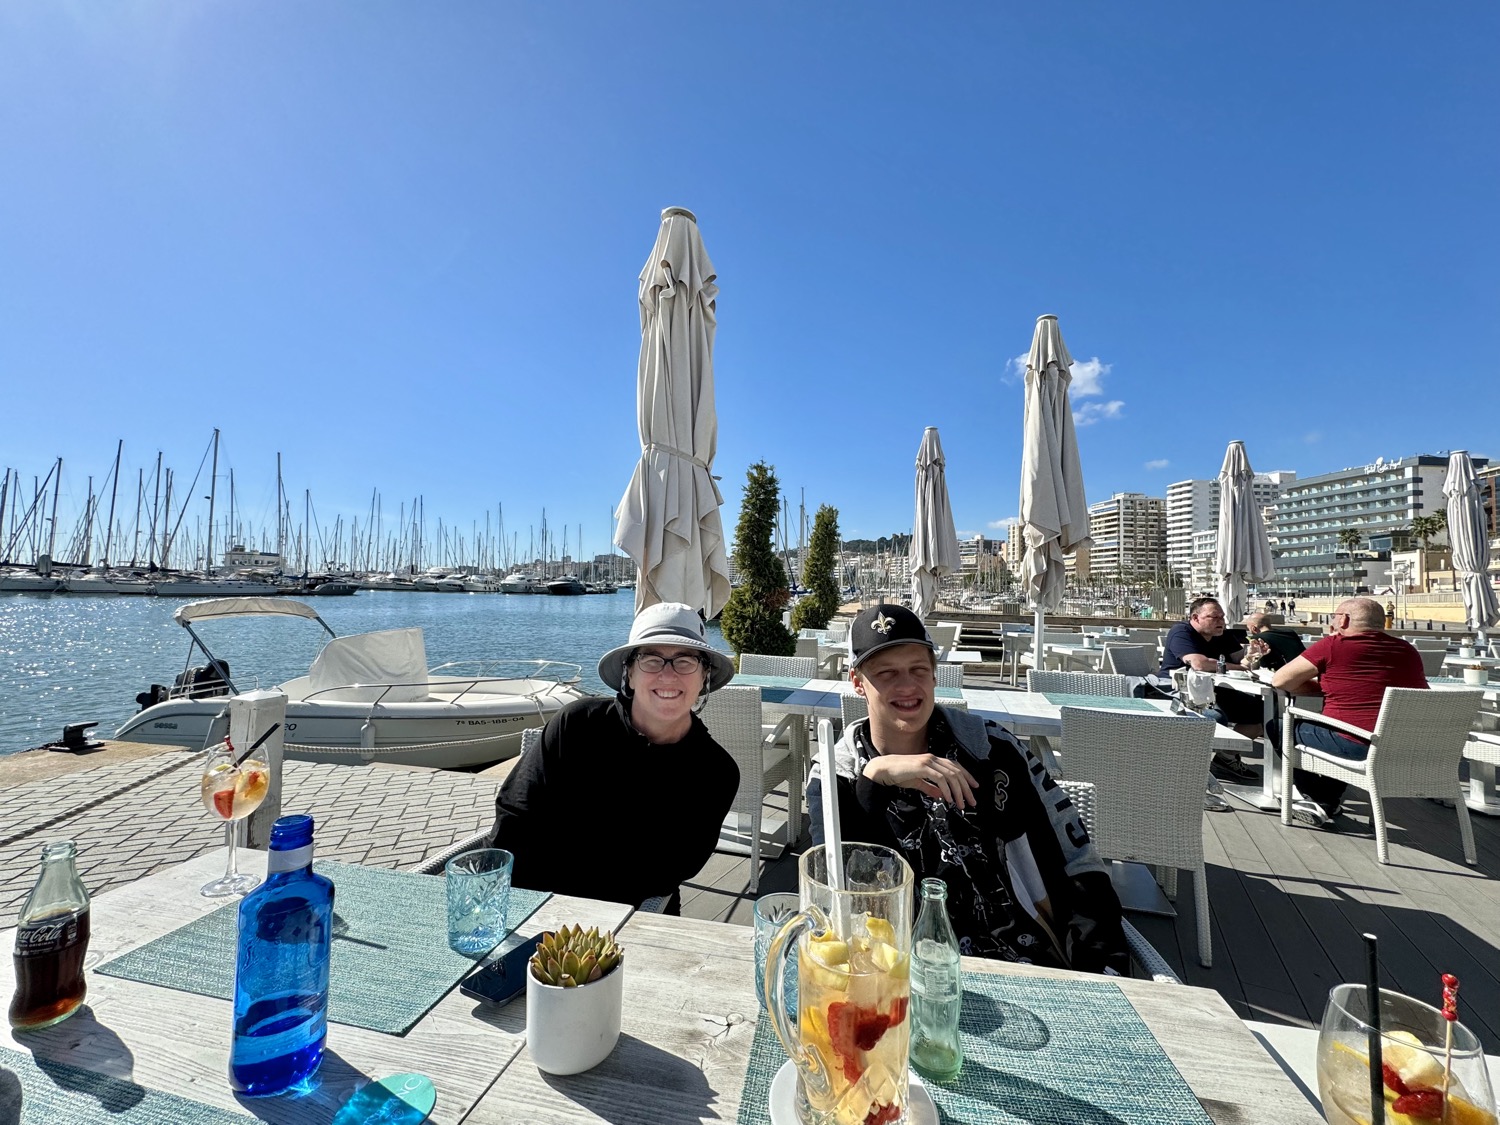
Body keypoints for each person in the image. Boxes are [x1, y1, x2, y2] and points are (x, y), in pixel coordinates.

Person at [806, 604, 1128, 974]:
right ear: (857, 682)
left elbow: (1076, 859)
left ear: (934, 675)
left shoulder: (993, 750)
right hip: (894, 970)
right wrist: (875, 778)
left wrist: (1102, 966)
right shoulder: (835, 774)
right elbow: (837, 892)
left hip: (1019, 959)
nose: (907, 686)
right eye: (886, 673)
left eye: (918, 670)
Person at [487, 602, 739, 911]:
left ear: (704, 677)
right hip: (531, 899)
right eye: (651, 660)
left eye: (685, 661)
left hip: (628, 916)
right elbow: (515, 818)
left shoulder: (716, 772)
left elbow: (669, 869)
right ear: (629, 673)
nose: (668, 675)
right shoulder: (576, 725)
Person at [1271, 597, 1427, 828]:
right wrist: (1336, 685)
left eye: (1335, 616)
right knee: (1336, 730)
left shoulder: (1334, 645)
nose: (1332, 621)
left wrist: (1324, 686)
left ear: (1344, 620)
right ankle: (1326, 800)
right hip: (1406, 747)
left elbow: (1280, 681)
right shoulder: (1407, 650)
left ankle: (1318, 798)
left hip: (1358, 745)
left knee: (1279, 727)